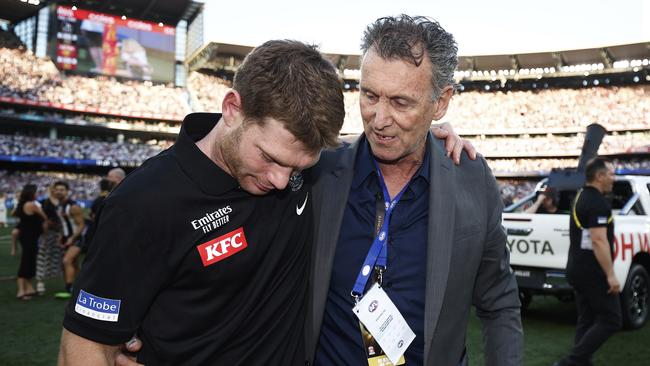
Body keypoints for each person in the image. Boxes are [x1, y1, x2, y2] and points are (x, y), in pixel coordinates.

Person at [62, 39, 469, 366]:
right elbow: (85, 346)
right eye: (269, 158)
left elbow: (372, 149)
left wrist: (427, 134)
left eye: (297, 168)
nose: (280, 180)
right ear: (233, 108)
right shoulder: (143, 205)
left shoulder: (309, 174)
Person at [308, 15, 522, 366]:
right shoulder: (321, 170)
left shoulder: (470, 178)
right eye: (370, 95)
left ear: (440, 103)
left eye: (401, 102)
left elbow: (499, 301)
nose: (379, 118)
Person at [554, 158, 621, 366]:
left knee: (587, 318)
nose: (614, 178)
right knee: (612, 319)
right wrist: (610, 275)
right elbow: (599, 240)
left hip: (577, 269)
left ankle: (581, 362)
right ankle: (571, 362)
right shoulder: (597, 203)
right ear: (599, 177)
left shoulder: (581, 196)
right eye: (611, 174)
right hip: (592, 273)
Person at [12, 184, 48, 300]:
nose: (37, 194)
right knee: (26, 262)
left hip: (26, 236)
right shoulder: (32, 205)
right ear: (32, 194)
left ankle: (29, 288)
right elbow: (45, 217)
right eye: (36, 192)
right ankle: (21, 291)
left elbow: (14, 214)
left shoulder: (21, 204)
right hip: (30, 237)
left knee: (29, 261)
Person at [52, 181, 85, 297]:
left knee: (67, 261)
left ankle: (69, 288)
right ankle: (82, 286)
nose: (59, 192)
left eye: (62, 189)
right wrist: (61, 236)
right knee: (74, 264)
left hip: (76, 238)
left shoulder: (73, 206)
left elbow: (81, 224)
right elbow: (63, 224)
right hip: (66, 238)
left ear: (67, 191)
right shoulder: (58, 206)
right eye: (57, 189)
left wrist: (72, 238)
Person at [36, 183, 64, 295]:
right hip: (47, 234)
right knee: (43, 256)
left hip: (61, 233)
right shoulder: (44, 202)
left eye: (59, 189)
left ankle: (68, 284)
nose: (57, 191)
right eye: (55, 189)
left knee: (60, 257)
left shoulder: (63, 202)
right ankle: (40, 282)